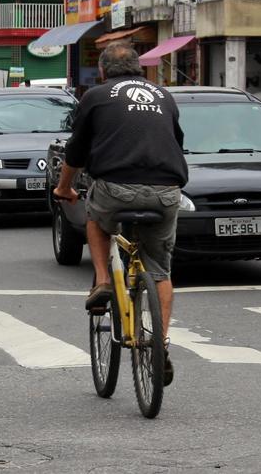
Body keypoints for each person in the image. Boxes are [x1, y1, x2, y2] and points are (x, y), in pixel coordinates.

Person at [53, 41, 188, 385]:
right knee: (159, 269)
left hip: (115, 189)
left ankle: (102, 281)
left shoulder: (96, 97)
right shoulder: (164, 96)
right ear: (139, 69)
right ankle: (160, 343)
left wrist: (64, 188)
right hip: (166, 191)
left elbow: (76, 152)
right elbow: (176, 141)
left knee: (96, 216)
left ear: (102, 71)